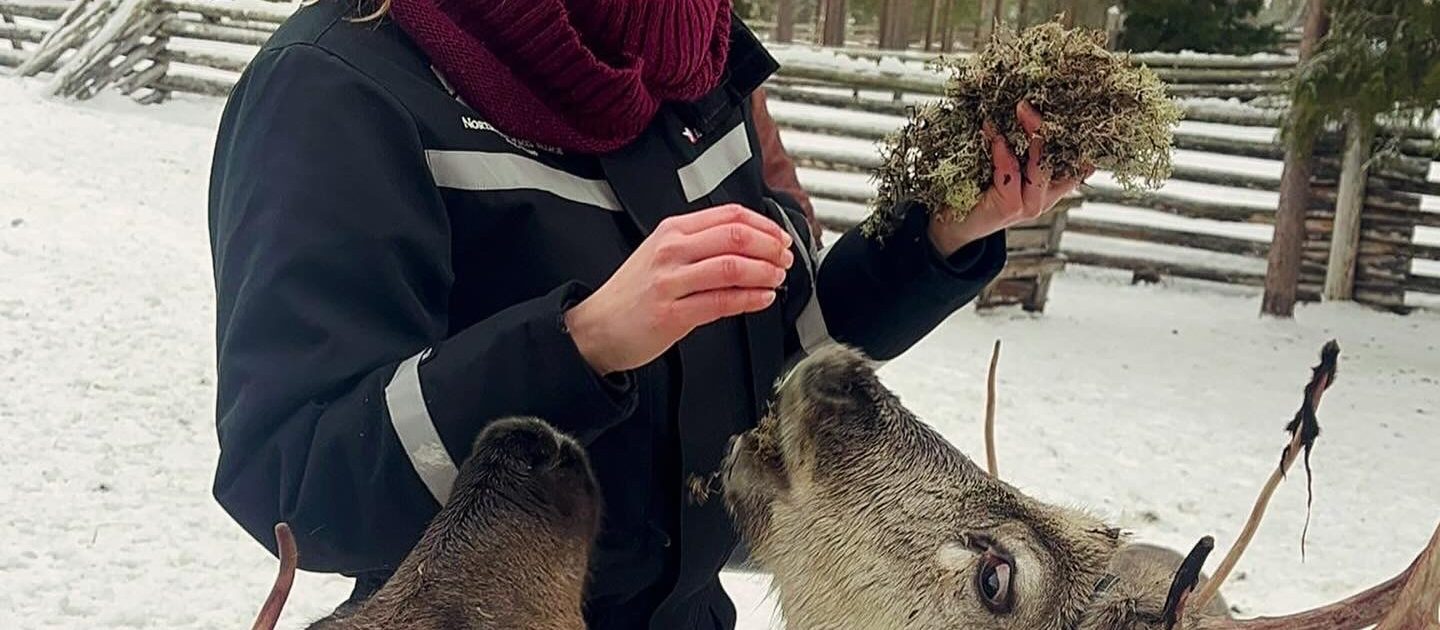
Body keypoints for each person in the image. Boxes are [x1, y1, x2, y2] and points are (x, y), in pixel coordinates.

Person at [206, 0, 1082, 628]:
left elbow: (777, 355)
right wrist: (579, 345)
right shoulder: (338, 86)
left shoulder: (694, 57)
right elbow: (292, 479)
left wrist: (938, 237)